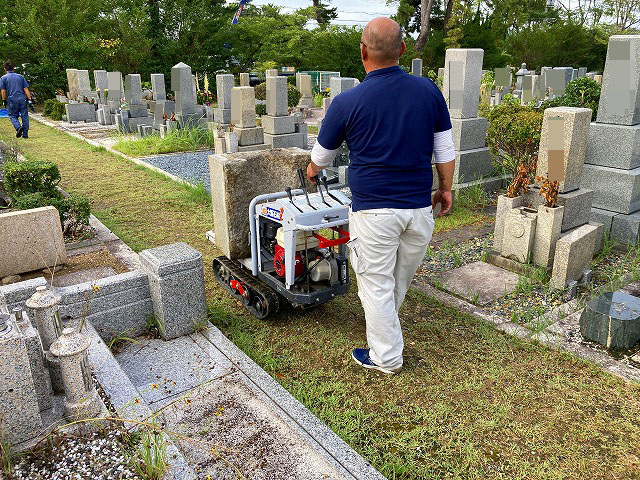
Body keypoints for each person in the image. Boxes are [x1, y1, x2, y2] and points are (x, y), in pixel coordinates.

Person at [306, 17, 455, 374]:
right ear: (402, 49)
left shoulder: (347, 102)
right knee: (395, 281)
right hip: (418, 208)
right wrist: (445, 189)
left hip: (374, 212)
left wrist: (311, 175)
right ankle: (383, 334)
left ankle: (385, 356)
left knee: (375, 285)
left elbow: (320, 158)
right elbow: (444, 149)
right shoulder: (428, 91)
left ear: (363, 52)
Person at [0, 61, 33, 139]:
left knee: (12, 115)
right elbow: (26, 89)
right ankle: (25, 134)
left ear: (5, 69)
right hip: (22, 98)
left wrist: (4, 100)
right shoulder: (20, 77)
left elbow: (3, 91)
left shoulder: (3, 78)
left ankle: (18, 128)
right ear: (13, 68)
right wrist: (29, 99)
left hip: (12, 99)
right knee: (24, 116)